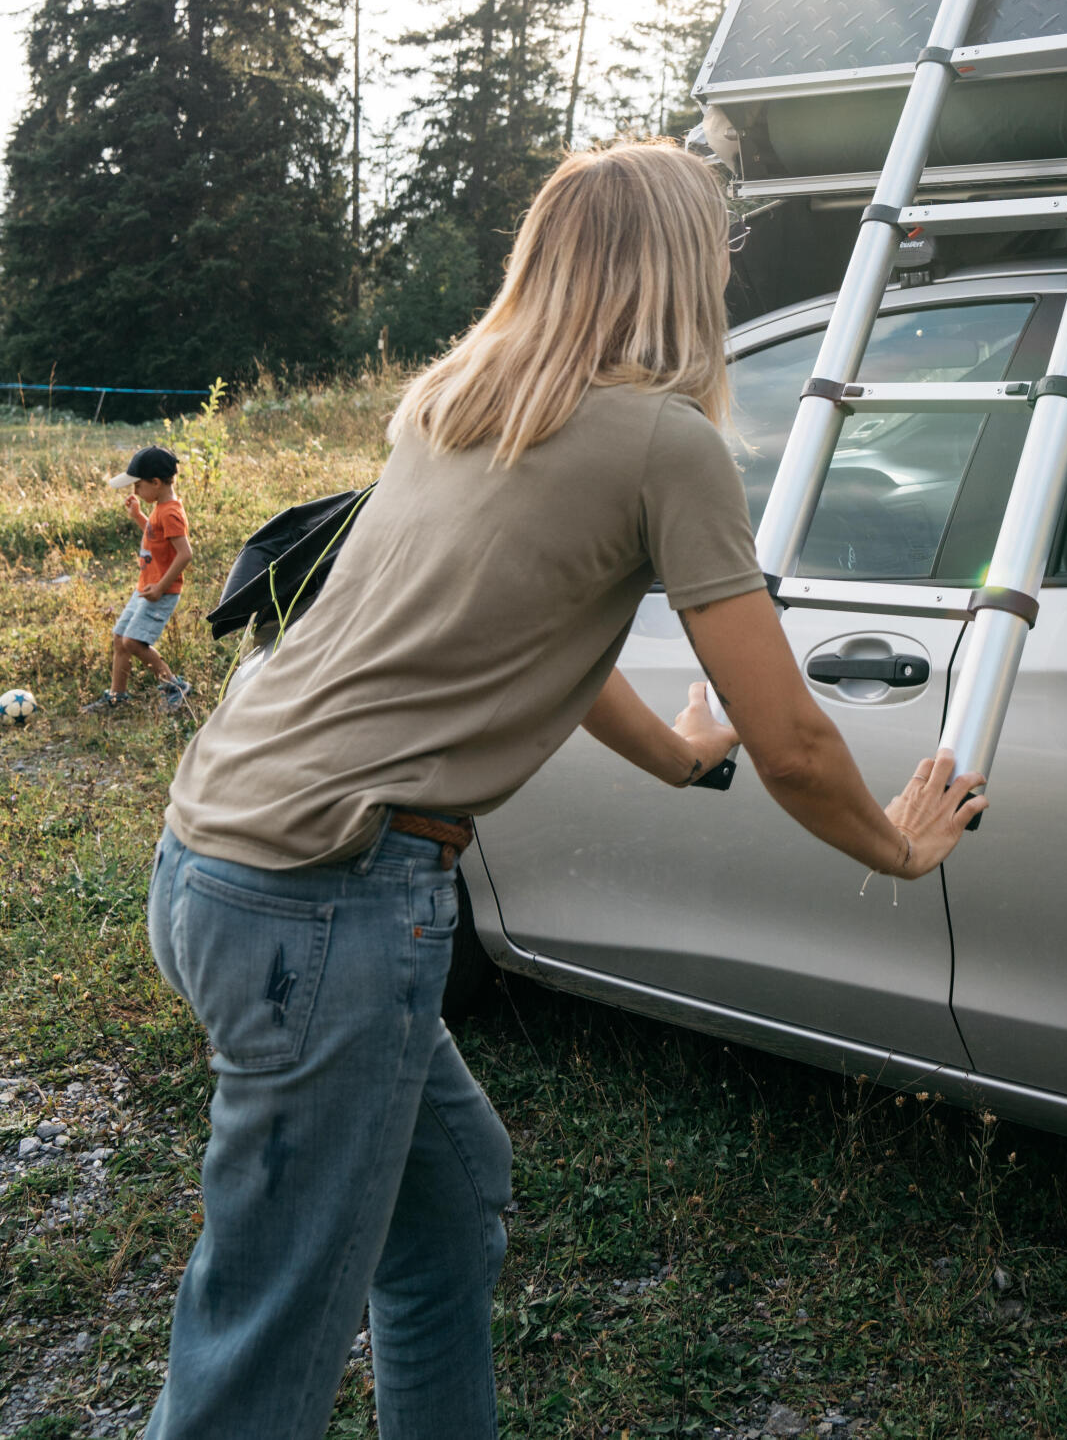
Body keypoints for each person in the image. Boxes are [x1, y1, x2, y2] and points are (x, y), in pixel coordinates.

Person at [143, 141, 986, 1440]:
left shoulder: (456, 399)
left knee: (448, 1203)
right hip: (330, 903)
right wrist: (900, 843)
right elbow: (797, 735)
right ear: (680, 270)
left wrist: (672, 752)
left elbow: (523, 627)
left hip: (218, 853)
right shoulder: (665, 442)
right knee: (263, 1339)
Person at [83, 445, 193, 715]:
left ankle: (174, 686)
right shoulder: (158, 507)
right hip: (146, 586)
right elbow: (156, 536)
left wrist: (161, 587)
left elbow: (185, 553)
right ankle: (117, 697)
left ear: (155, 483)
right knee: (120, 637)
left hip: (160, 590)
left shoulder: (170, 512)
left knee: (133, 642)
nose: (134, 493)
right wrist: (139, 517)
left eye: (137, 486)